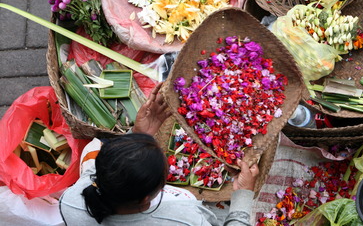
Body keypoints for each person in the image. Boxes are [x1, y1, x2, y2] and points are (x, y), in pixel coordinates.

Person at [59, 82, 260, 225]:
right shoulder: (182, 218)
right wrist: (243, 195)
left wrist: (138, 135)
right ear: (147, 198)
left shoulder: (71, 201)